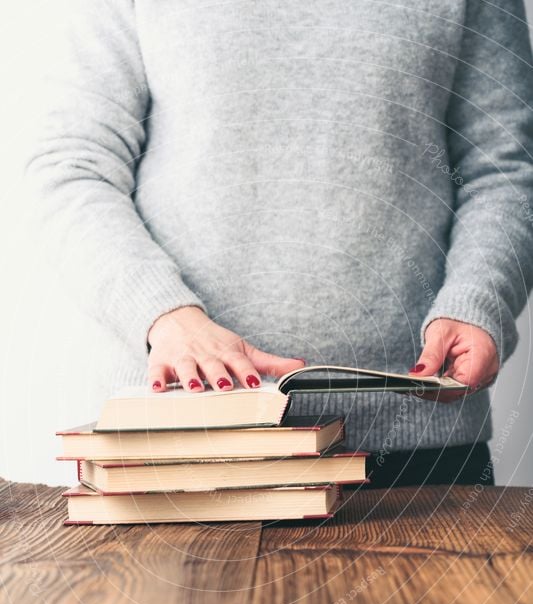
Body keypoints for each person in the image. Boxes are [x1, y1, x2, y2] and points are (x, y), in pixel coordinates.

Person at [26, 0, 533, 487]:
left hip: (419, 450)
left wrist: (478, 301)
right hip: (174, 433)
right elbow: (73, 168)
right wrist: (164, 315)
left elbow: (504, 173)